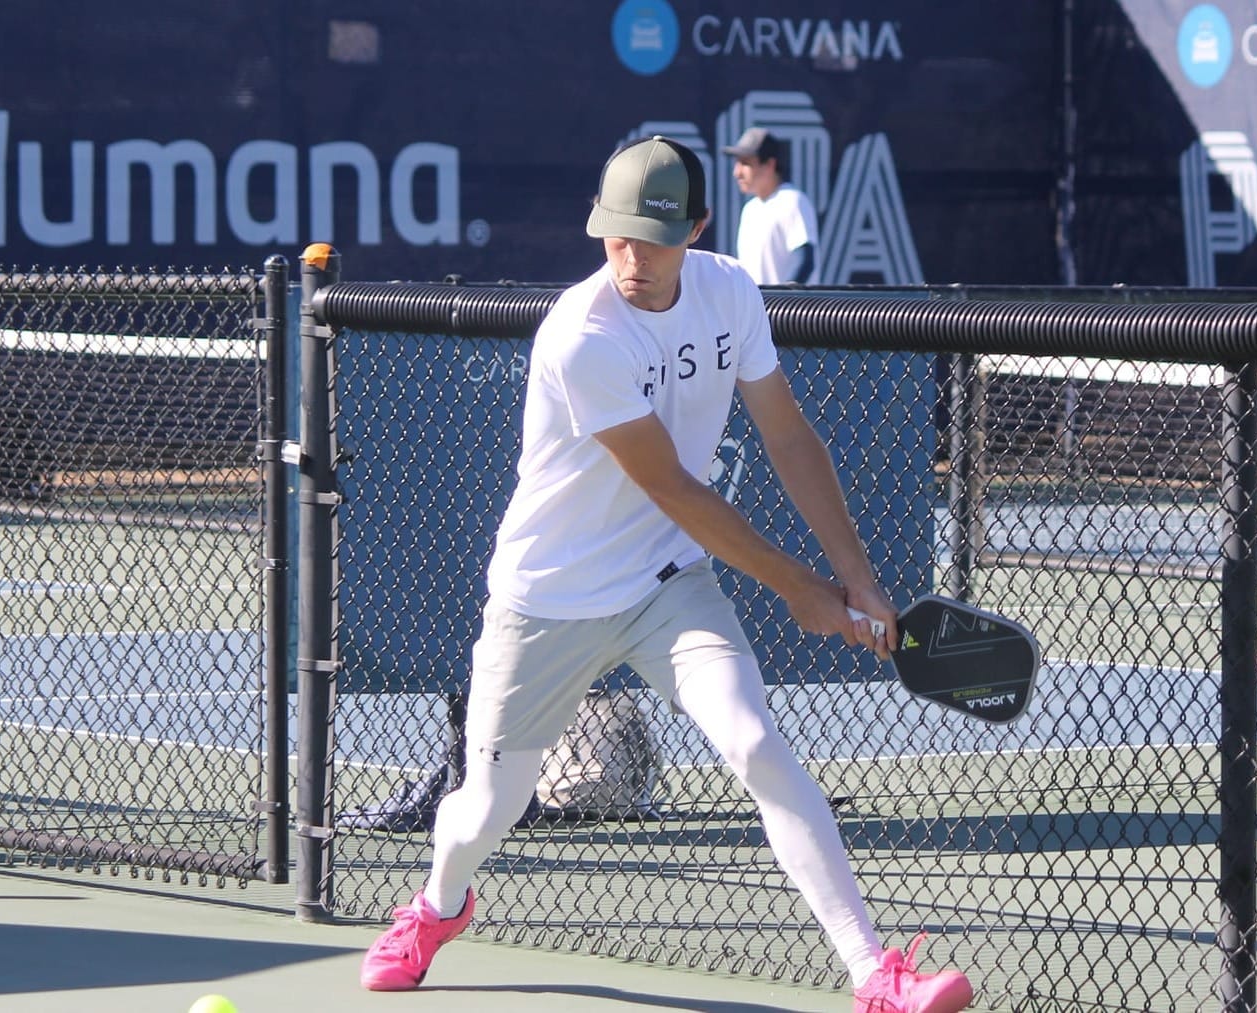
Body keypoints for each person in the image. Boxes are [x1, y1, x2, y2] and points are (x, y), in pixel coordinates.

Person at [358, 136, 973, 1013]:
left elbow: (788, 435)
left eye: (649, 239)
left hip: (667, 584)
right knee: (484, 809)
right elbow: (675, 487)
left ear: (695, 227)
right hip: (550, 596)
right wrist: (799, 586)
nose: (630, 258)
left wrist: (855, 574)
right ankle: (435, 907)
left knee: (755, 742)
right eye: (614, 237)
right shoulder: (583, 335)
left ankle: (874, 972)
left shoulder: (729, 291)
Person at [723, 127, 820, 285]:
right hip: (757, 308)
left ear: (769, 164)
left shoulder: (793, 201)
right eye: (737, 164)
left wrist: (782, 303)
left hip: (790, 308)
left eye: (745, 163)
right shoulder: (750, 210)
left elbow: (805, 262)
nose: (737, 172)